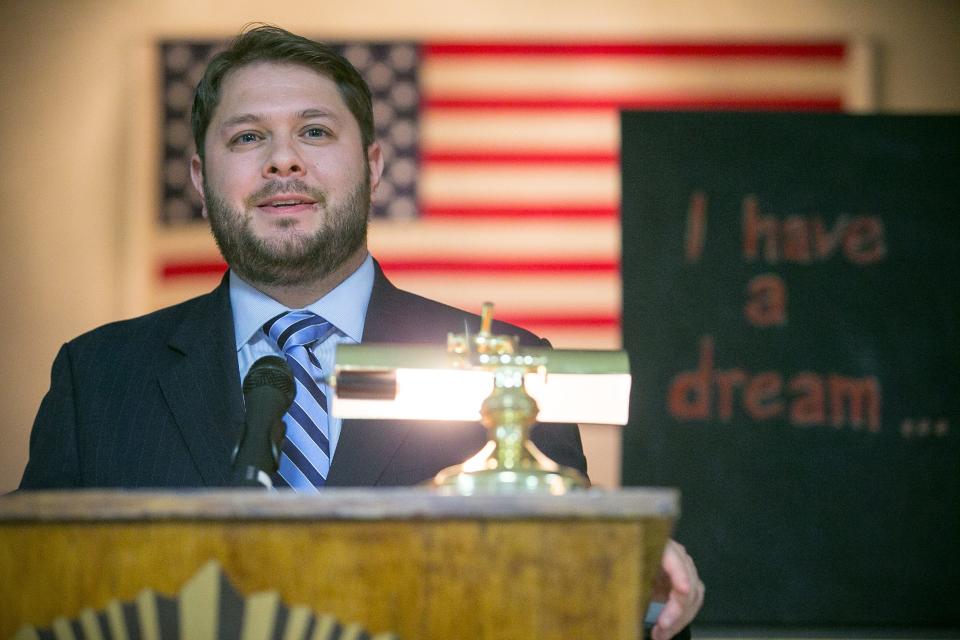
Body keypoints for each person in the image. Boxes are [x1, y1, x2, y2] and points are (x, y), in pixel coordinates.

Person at [19, 25, 703, 638]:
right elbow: (31, 595)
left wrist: (631, 594)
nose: (283, 161)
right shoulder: (97, 378)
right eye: (247, 136)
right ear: (200, 178)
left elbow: (565, 610)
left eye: (315, 132)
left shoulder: (511, 371)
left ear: (374, 167)